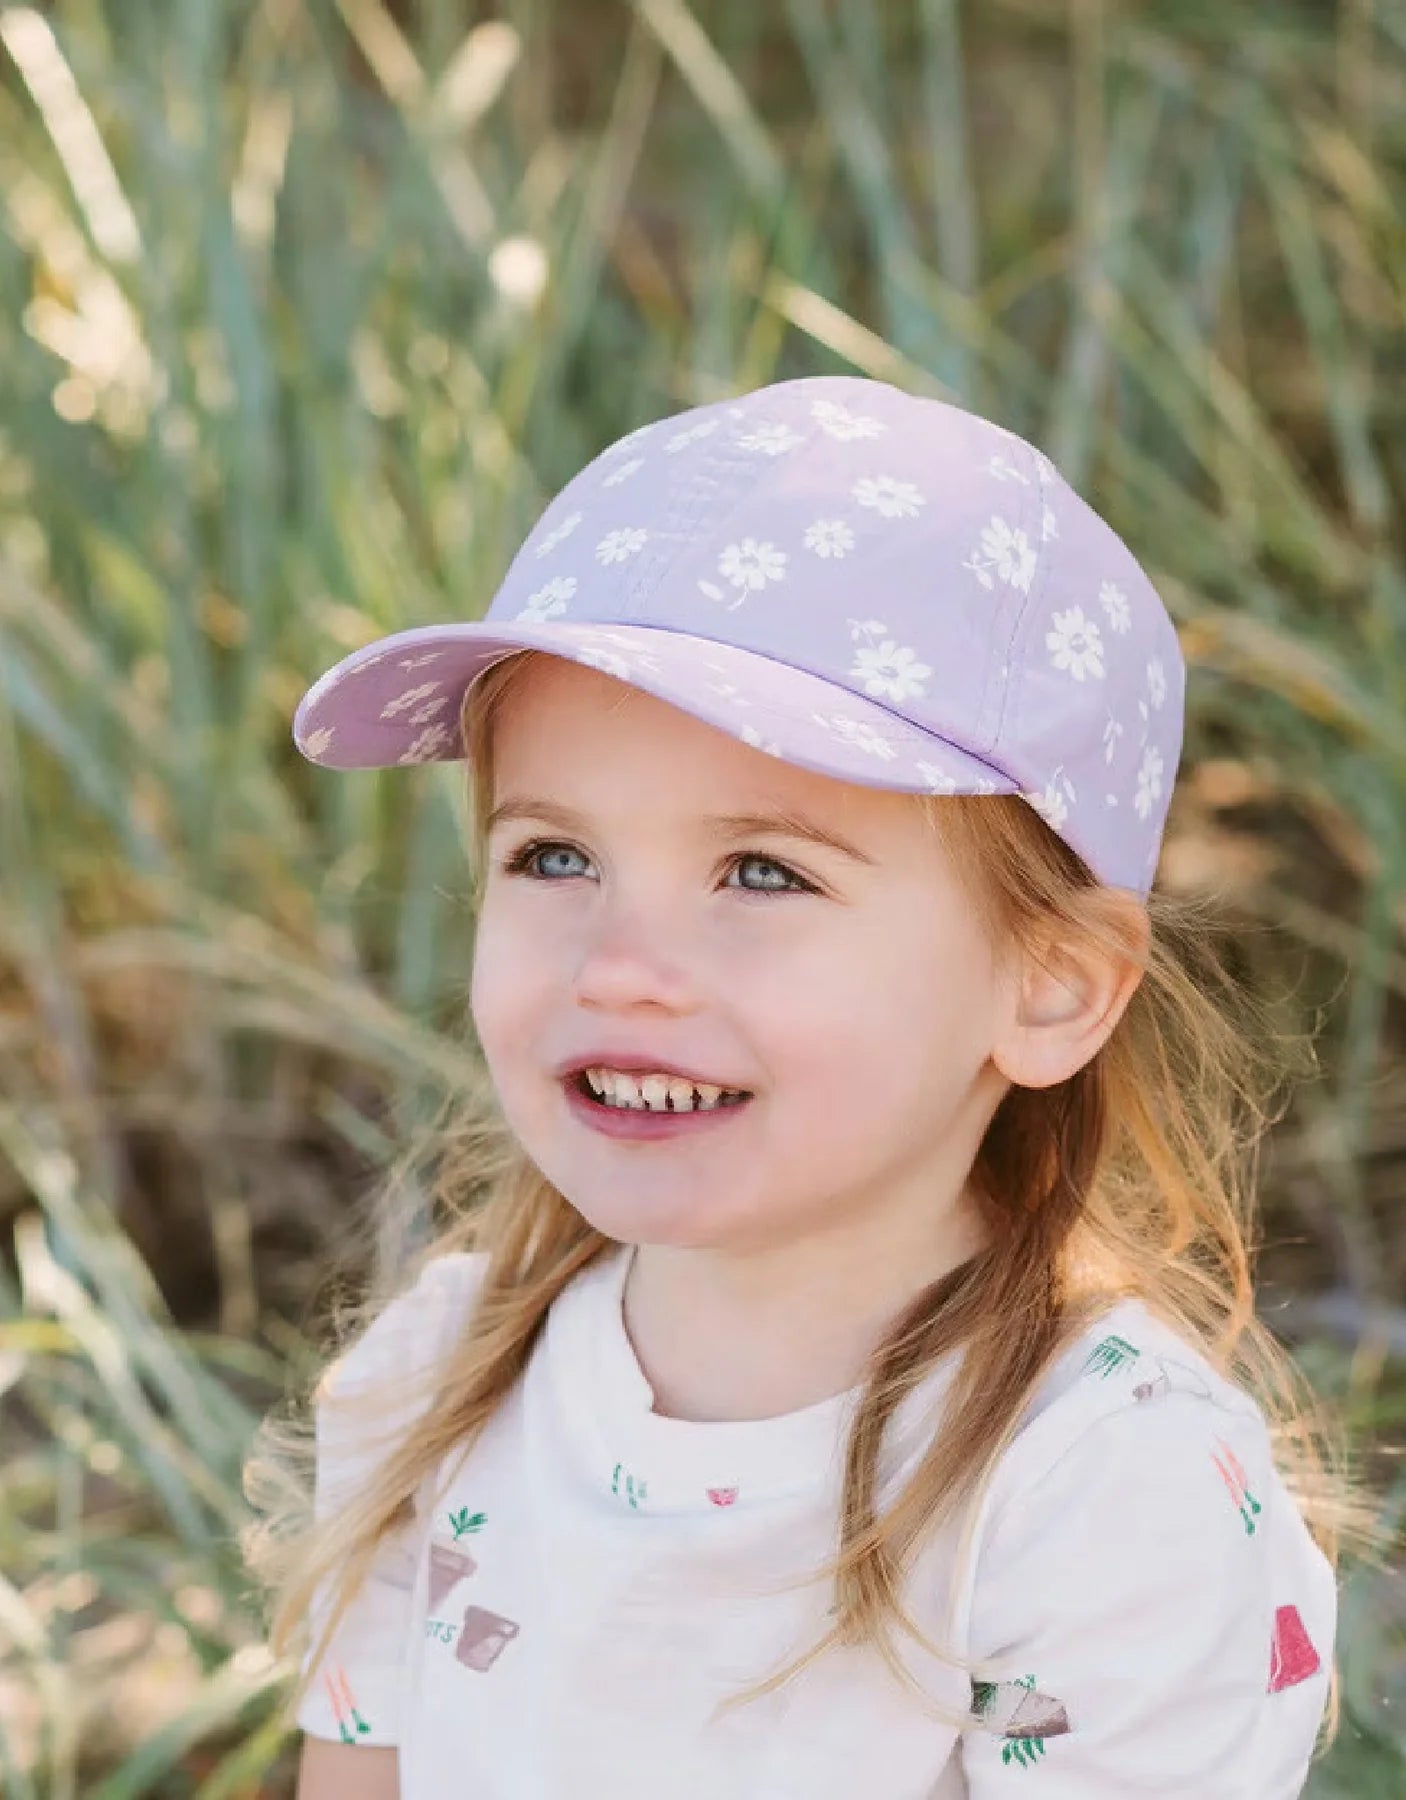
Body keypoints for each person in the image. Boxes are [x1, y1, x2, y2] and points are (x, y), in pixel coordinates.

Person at [242, 376, 1379, 1799]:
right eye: (551, 857)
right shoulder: (439, 1385)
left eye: (762, 872)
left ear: (1049, 987)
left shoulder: (1090, 1487)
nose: (621, 967)